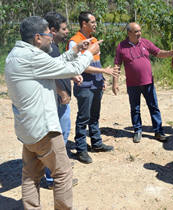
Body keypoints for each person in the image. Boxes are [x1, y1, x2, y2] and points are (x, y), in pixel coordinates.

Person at [5, 16, 101, 209]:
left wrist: (75, 50)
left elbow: (55, 63)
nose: (52, 37)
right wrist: (89, 53)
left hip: (27, 129)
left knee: (30, 175)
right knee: (63, 173)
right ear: (38, 38)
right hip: (44, 130)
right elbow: (70, 68)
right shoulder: (33, 57)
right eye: (49, 33)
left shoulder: (15, 54)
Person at [113, 22, 173, 143]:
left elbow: (158, 52)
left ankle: (158, 131)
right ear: (129, 33)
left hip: (148, 82)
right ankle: (137, 131)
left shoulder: (145, 42)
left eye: (140, 30)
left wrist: (170, 53)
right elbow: (117, 65)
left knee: (154, 107)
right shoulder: (121, 46)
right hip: (132, 84)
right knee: (135, 108)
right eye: (136, 31)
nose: (139, 33)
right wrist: (115, 83)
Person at [67, 11, 118, 164]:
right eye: (93, 22)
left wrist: (101, 78)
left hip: (96, 84)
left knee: (95, 116)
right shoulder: (74, 42)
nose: (95, 25)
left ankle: (96, 143)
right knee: (83, 118)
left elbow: (96, 60)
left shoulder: (94, 40)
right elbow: (79, 67)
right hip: (84, 86)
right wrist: (104, 71)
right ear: (84, 24)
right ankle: (81, 149)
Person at [43, 11, 81, 189]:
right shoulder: (48, 49)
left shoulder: (54, 47)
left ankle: (57, 171)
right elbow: (49, 75)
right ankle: (54, 179)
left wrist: (71, 76)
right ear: (52, 30)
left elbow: (58, 68)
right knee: (59, 138)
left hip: (59, 100)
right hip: (57, 101)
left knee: (60, 137)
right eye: (64, 29)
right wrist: (62, 92)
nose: (67, 32)